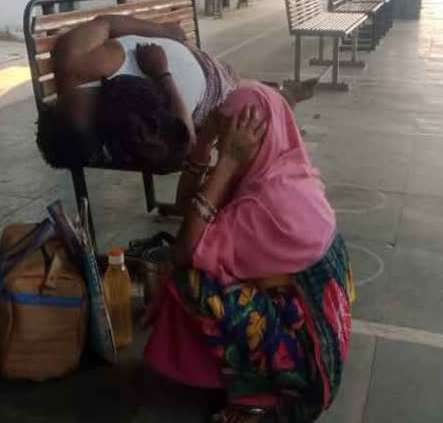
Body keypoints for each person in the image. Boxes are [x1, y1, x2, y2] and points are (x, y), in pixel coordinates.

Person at [143, 84, 354, 423]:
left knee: (192, 281)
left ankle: (260, 385)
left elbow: (185, 250)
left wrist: (225, 162)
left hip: (307, 373)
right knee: (204, 245)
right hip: (321, 341)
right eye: (225, 132)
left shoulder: (263, 205)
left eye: (233, 133)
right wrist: (204, 142)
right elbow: (187, 208)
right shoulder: (288, 172)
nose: (227, 141)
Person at [37, 15, 316, 173]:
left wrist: (161, 31)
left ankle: (278, 94)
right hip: (205, 100)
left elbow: (106, 24)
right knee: (250, 108)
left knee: (245, 89)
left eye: (82, 108)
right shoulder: (112, 130)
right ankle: (281, 96)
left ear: (59, 104)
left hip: (202, 66)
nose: (95, 106)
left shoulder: (73, 59)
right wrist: (162, 75)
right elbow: (184, 141)